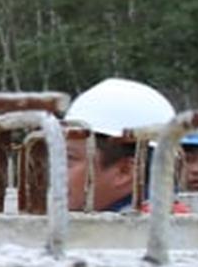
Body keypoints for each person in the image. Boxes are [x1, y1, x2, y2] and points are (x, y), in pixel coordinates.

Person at [62, 78, 175, 213]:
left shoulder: (135, 232)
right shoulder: (172, 221)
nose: (51, 172)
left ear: (125, 171)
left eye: (68, 159)